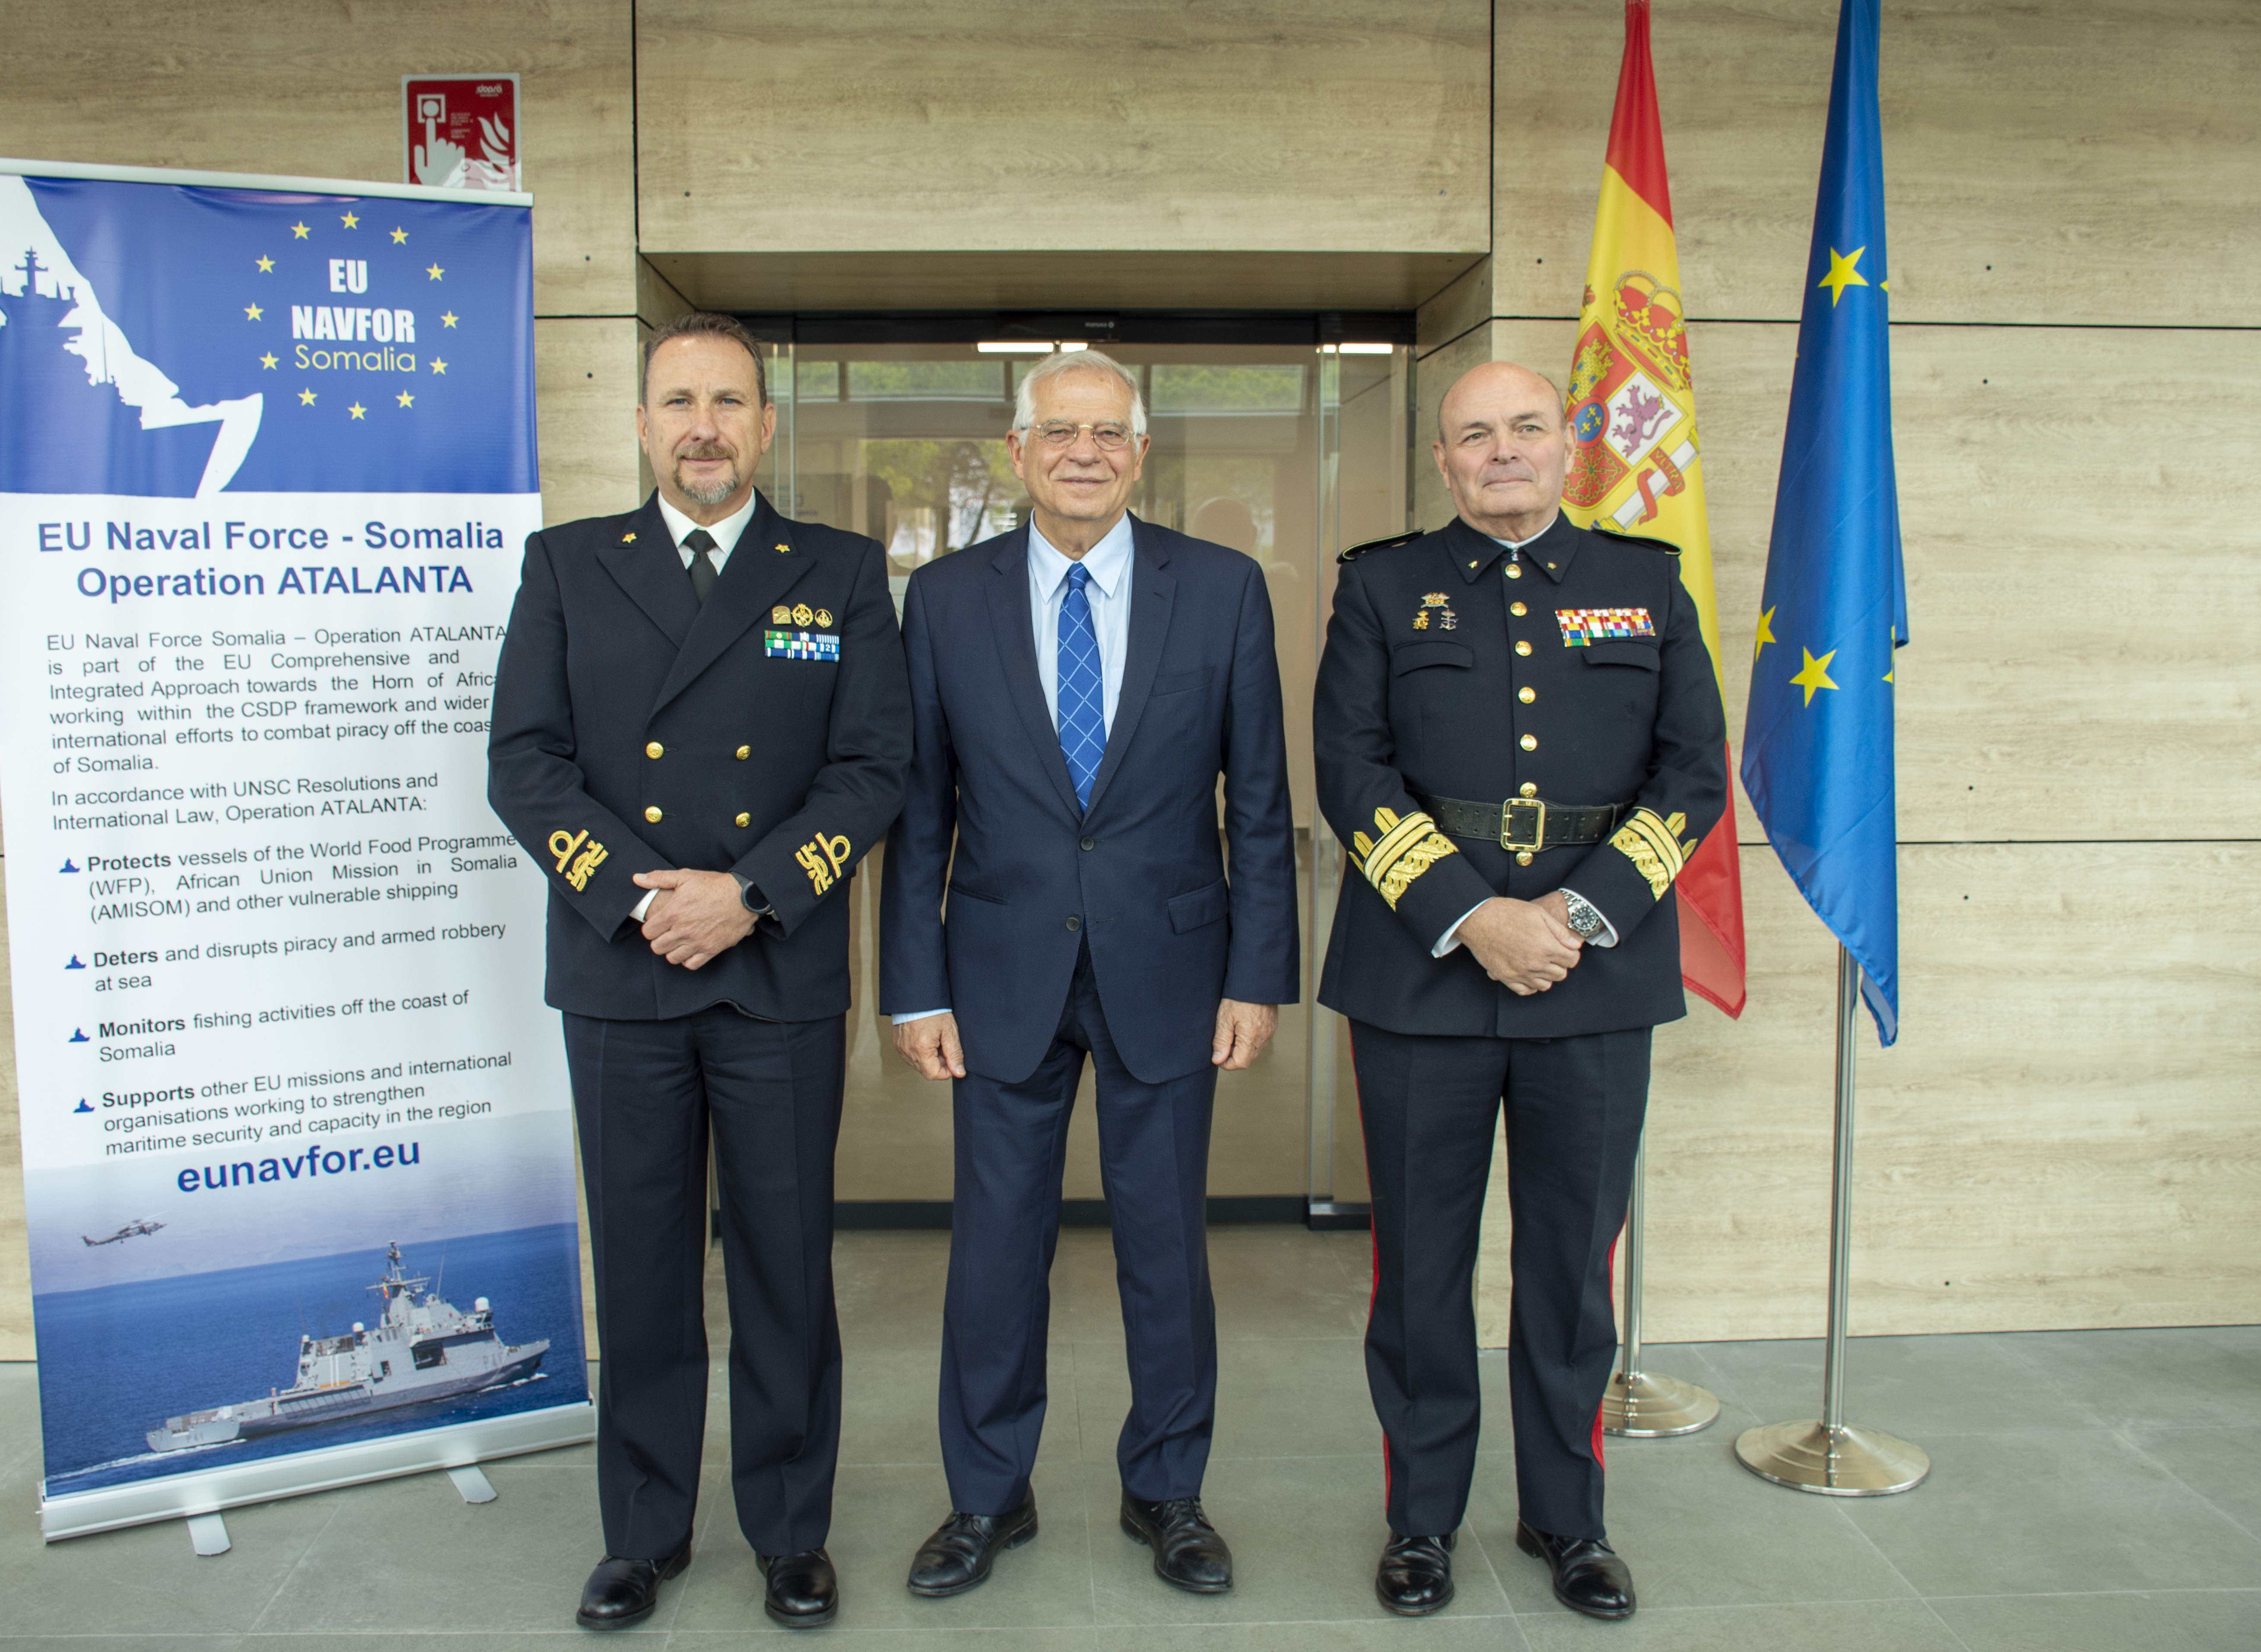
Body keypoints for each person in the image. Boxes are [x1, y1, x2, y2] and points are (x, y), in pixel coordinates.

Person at [486, 310, 912, 1632]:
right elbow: (525, 761)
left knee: (786, 1264)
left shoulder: (837, 570)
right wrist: (636, 896)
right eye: (679, 400)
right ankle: (643, 1533)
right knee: (646, 1263)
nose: (704, 425)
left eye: (728, 400)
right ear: (642, 422)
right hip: (623, 976)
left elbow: (873, 766)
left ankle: (791, 1530)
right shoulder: (567, 565)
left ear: (765, 425)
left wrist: (752, 893)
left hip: (773, 970)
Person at [879, 350, 1298, 1600]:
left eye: (1108, 432)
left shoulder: (1221, 589)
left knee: (1166, 1246)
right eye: (1058, 430)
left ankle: (1165, 1489)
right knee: (994, 1249)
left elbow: (1262, 805)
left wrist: (1257, 974)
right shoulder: (944, 599)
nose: (1083, 451)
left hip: (1172, 967)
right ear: (1016, 452)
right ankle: (984, 1497)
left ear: (1142, 451)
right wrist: (913, 984)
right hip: (996, 969)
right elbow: (918, 810)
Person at [1311, 361, 1726, 1622]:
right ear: (1441, 460)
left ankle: (1568, 1519)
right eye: (1473, 435)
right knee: (1419, 1271)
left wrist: (1575, 917)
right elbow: (1349, 770)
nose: (1501, 451)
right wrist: (1473, 916)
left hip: (1591, 986)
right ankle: (1420, 1522)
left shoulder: (1643, 582)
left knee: (1566, 1269)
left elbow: (1692, 774)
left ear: (1567, 446)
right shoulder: (1380, 584)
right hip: (1420, 980)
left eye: (1524, 429)